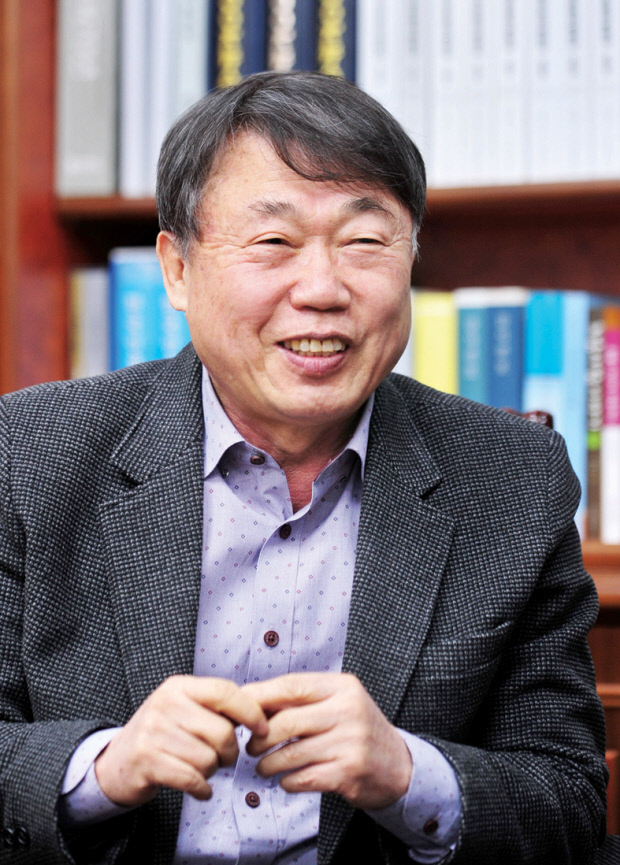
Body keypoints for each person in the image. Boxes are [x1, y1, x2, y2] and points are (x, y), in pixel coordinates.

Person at [0, 71, 607, 865]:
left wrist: (407, 773)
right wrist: (102, 770)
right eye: (274, 242)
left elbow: (567, 799)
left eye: (364, 242)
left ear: (411, 256)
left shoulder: (512, 479)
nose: (322, 289)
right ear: (177, 269)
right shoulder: (29, 454)